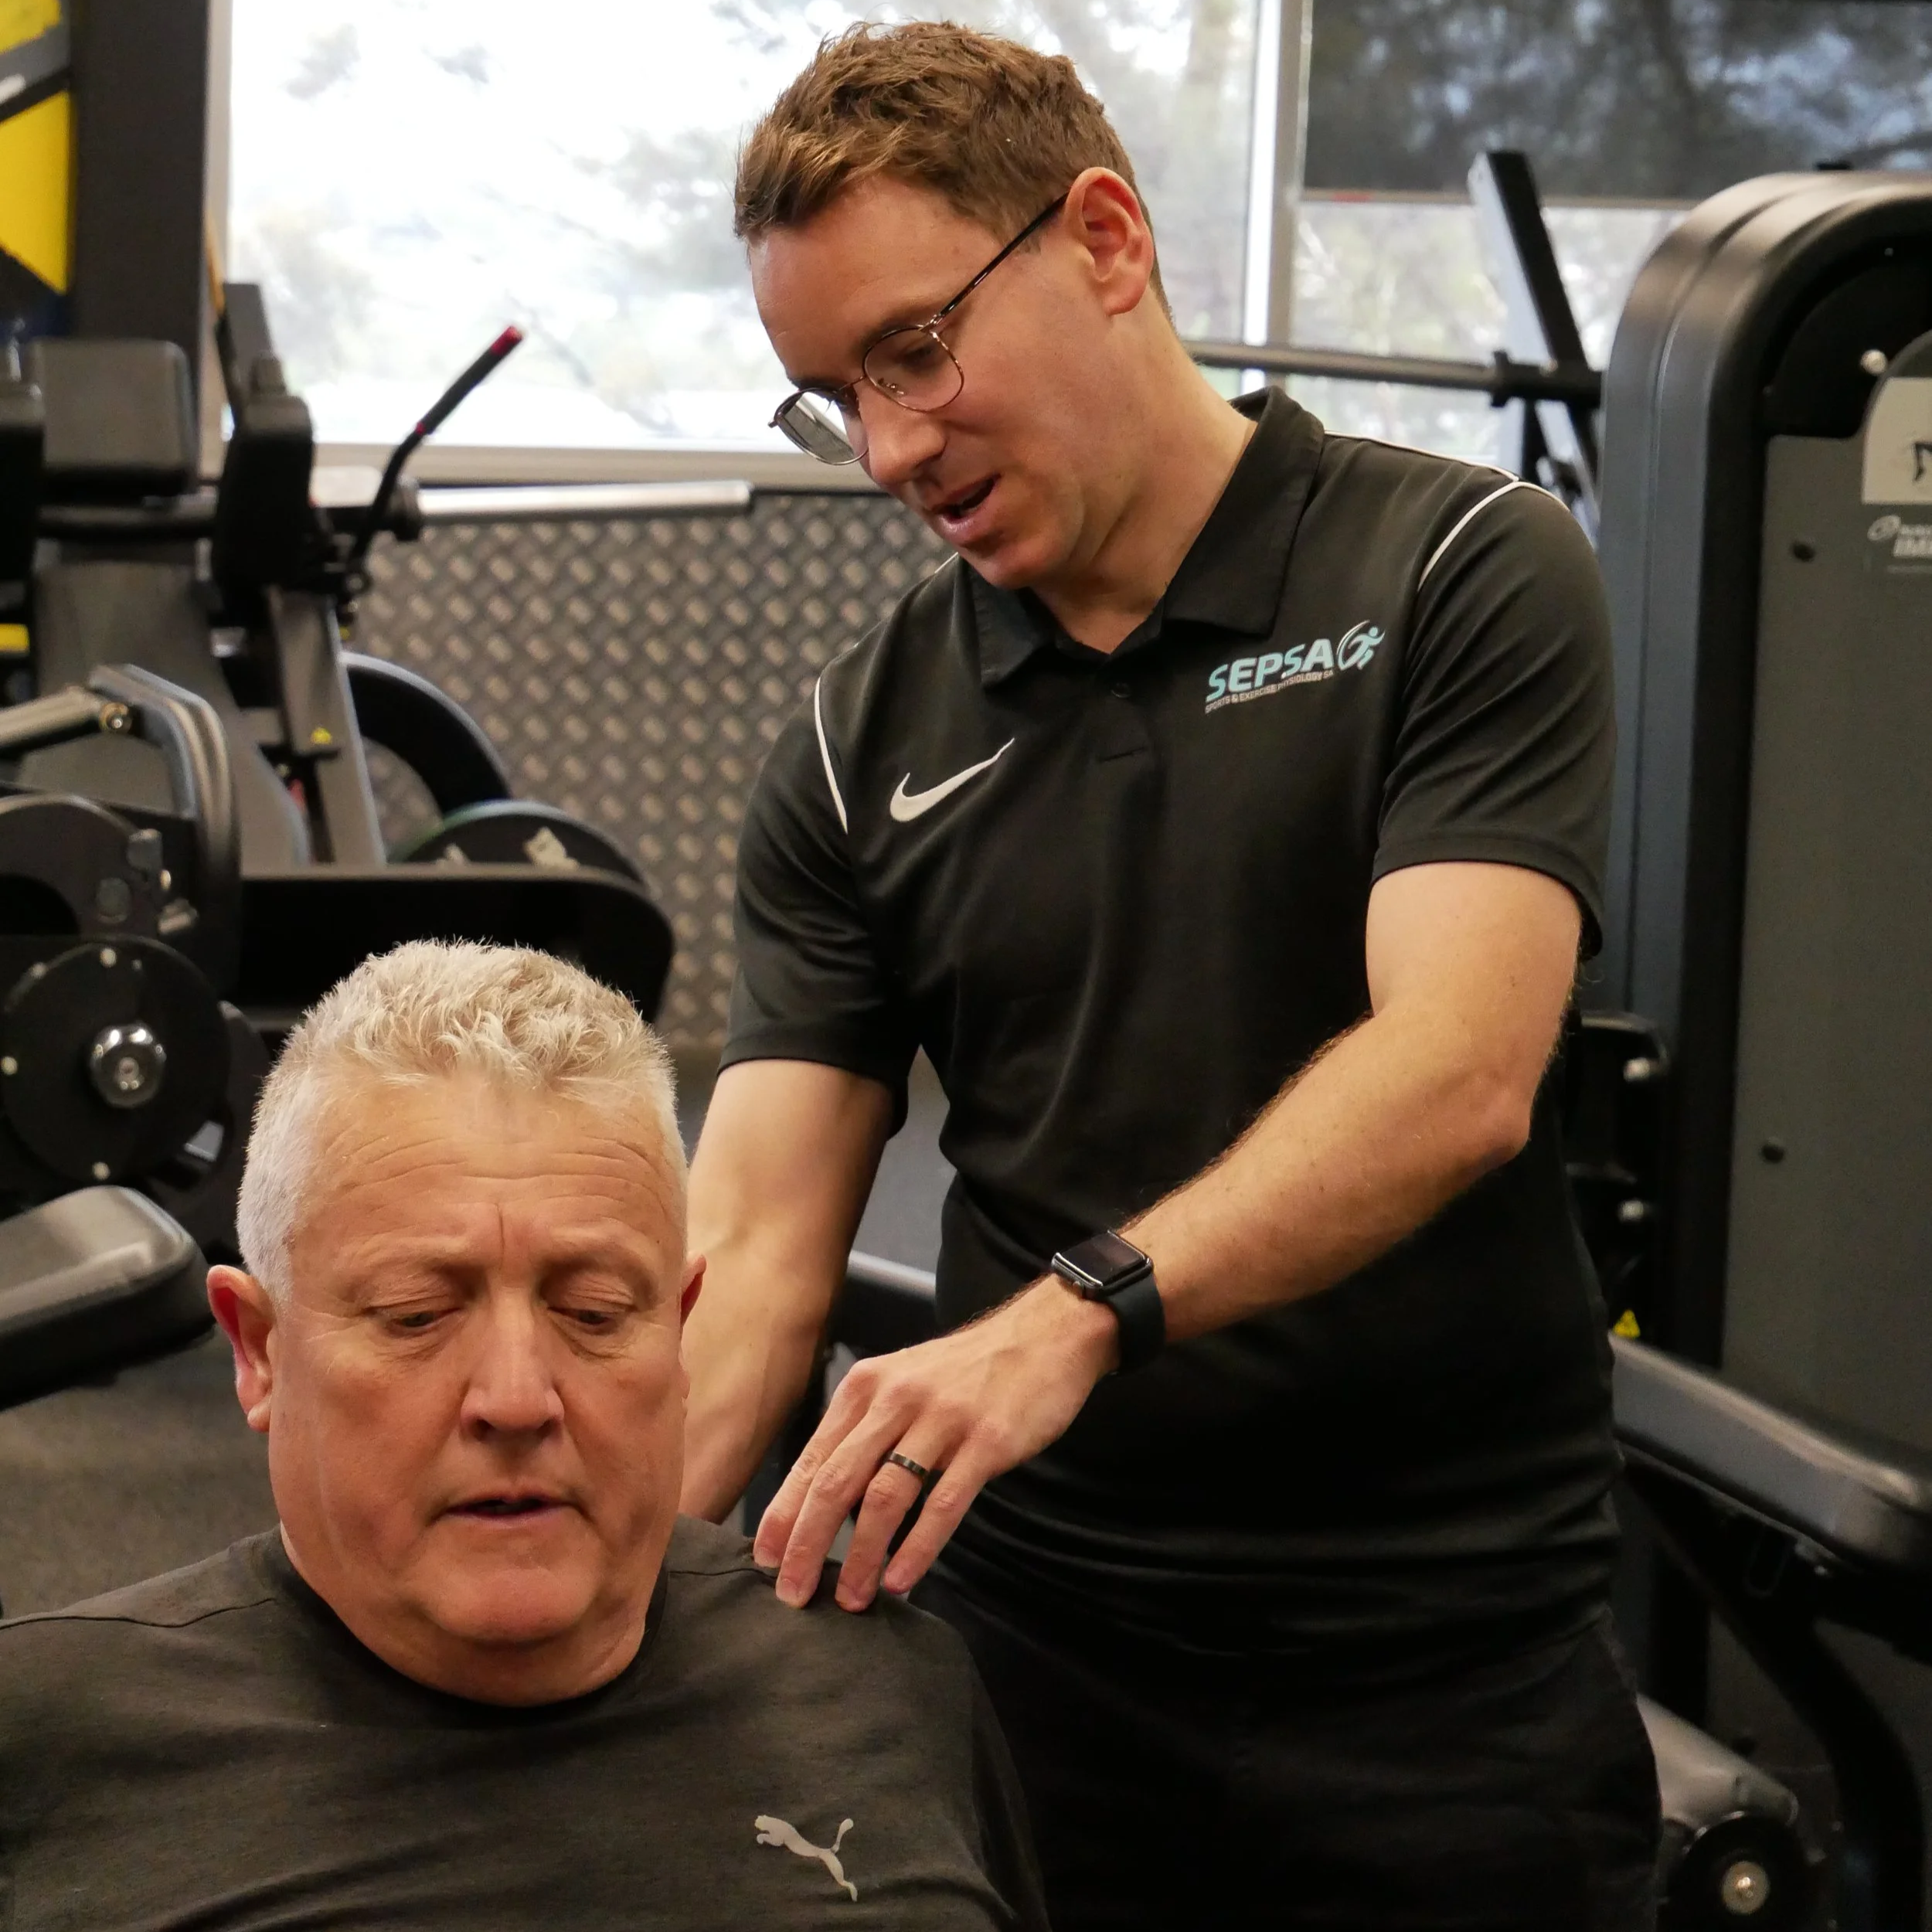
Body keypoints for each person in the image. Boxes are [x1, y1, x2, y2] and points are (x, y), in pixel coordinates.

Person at [679, 22, 1659, 1932]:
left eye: (912, 351)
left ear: (1105, 241)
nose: (887, 450)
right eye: (830, 398)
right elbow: (758, 1259)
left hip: (1438, 1666)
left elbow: (1460, 1068)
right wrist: (563, 1609)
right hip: (1027, 1646)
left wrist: (1074, 1314)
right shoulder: (852, 743)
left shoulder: (1457, 567)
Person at [0, 941, 1046, 1932]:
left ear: (678, 1332)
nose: (516, 1398)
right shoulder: (48, 1744)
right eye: (416, 1315)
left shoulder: (889, 1688)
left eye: (595, 1313)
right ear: (259, 1350)